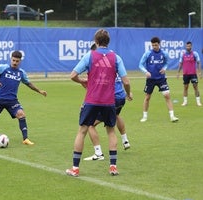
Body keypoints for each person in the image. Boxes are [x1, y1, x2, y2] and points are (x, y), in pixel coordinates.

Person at [66, 29, 132, 177]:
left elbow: (72, 75)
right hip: (109, 101)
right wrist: (128, 93)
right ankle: (113, 167)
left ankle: (75, 169)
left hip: (91, 100)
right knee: (110, 131)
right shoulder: (116, 58)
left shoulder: (90, 56)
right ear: (108, 42)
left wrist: (82, 81)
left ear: (96, 42)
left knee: (82, 131)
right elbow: (126, 81)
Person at [0, 50, 47, 145]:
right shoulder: (3, 68)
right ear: (10, 59)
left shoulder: (21, 73)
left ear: (20, 61)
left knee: (21, 114)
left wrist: (39, 91)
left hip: (12, 101)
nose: (15, 62)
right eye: (13, 60)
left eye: (17, 61)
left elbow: (28, 83)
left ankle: (25, 139)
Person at [84, 74, 132, 161]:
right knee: (116, 115)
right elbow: (125, 81)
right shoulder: (115, 64)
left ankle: (98, 153)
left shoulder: (102, 68)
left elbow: (98, 87)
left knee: (90, 124)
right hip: (121, 97)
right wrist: (128, 93)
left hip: (110, 99)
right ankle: (125, 140)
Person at [139, 36, 178, 123]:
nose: (154, 47)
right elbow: (140, 64)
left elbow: (167, 62)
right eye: (153, 45)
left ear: (159, 44)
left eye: (156, 45)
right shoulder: (148, 54)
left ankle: (172, 116)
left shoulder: (164, 53)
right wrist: (146, 72)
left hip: (161, 79)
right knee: (147, 97)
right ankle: (144, 116)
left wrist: (165, 68)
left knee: (167, 95)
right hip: (151, 79)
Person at [177, 41, 202, 106]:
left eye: (189, 46)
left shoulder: (195, 54)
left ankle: (198, 102)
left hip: (193, 74)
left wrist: (199, 72)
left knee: (195, 87)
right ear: (185, 46)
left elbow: (198, 62)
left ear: (191, 46)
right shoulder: (183, 54)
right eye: (187, 46)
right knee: (185, 87)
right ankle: (185, 102)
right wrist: (178, 72)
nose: (188, 47)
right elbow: (180, 63)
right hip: (185, 74)